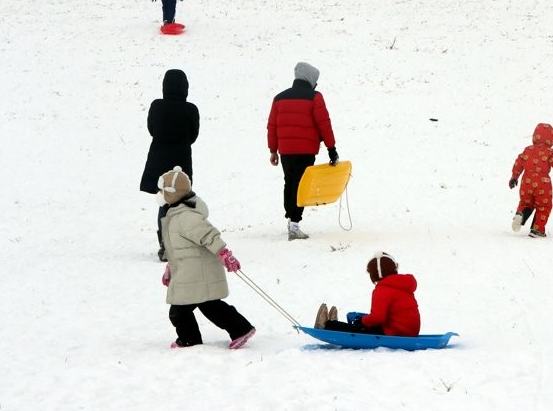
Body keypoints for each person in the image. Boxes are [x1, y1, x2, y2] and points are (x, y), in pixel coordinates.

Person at [159, 167, 256, 349]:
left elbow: (209, 235)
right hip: (189, 274)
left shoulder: (186, 217)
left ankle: (191, 339)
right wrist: (170, 268)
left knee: (180, 311)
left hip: (198, 274)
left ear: (172, 194)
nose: (159, 195)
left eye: (162, 191)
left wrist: (224, 254)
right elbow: (177, 249)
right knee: (208, 306)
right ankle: (238, 329)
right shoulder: (176, 214)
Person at [267, 61, 339, 240]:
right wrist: (332, 149)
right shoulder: (315, 97)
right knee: (301, 185)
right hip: (306, 150)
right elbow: (324, 124)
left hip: (285, 151)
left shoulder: (279, 98)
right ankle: (294, 223)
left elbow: (272, 126)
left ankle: (291, 217)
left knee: (289, 182)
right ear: (311, 79)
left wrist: (273, 150)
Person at [140, 69, 200, 262]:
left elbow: (152, 129)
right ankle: (177, 242)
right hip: (181, 160)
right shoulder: (191, 109)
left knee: (164, 201)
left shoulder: (157, 106)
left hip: (159, 158)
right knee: (180, 202)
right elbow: (193, 135)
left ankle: (165, 244)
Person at [313, 252, 420, 337]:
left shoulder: (383, 290)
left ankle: (328, 326)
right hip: (409, 329)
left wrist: (362, 322)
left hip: (395, 332)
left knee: (359, 330)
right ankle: (334, 325)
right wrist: (364, 318)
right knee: (364, 323)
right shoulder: (401, 285)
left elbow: (378, 317)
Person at [508, 123, 553, 237]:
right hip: (542, 182)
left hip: (526, 181)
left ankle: (520, 215)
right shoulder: (550, 152)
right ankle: (537, 230)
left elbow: (518, 163)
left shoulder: (527, 150)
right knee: (543, 206)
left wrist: (514, 176)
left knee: (526, 203)